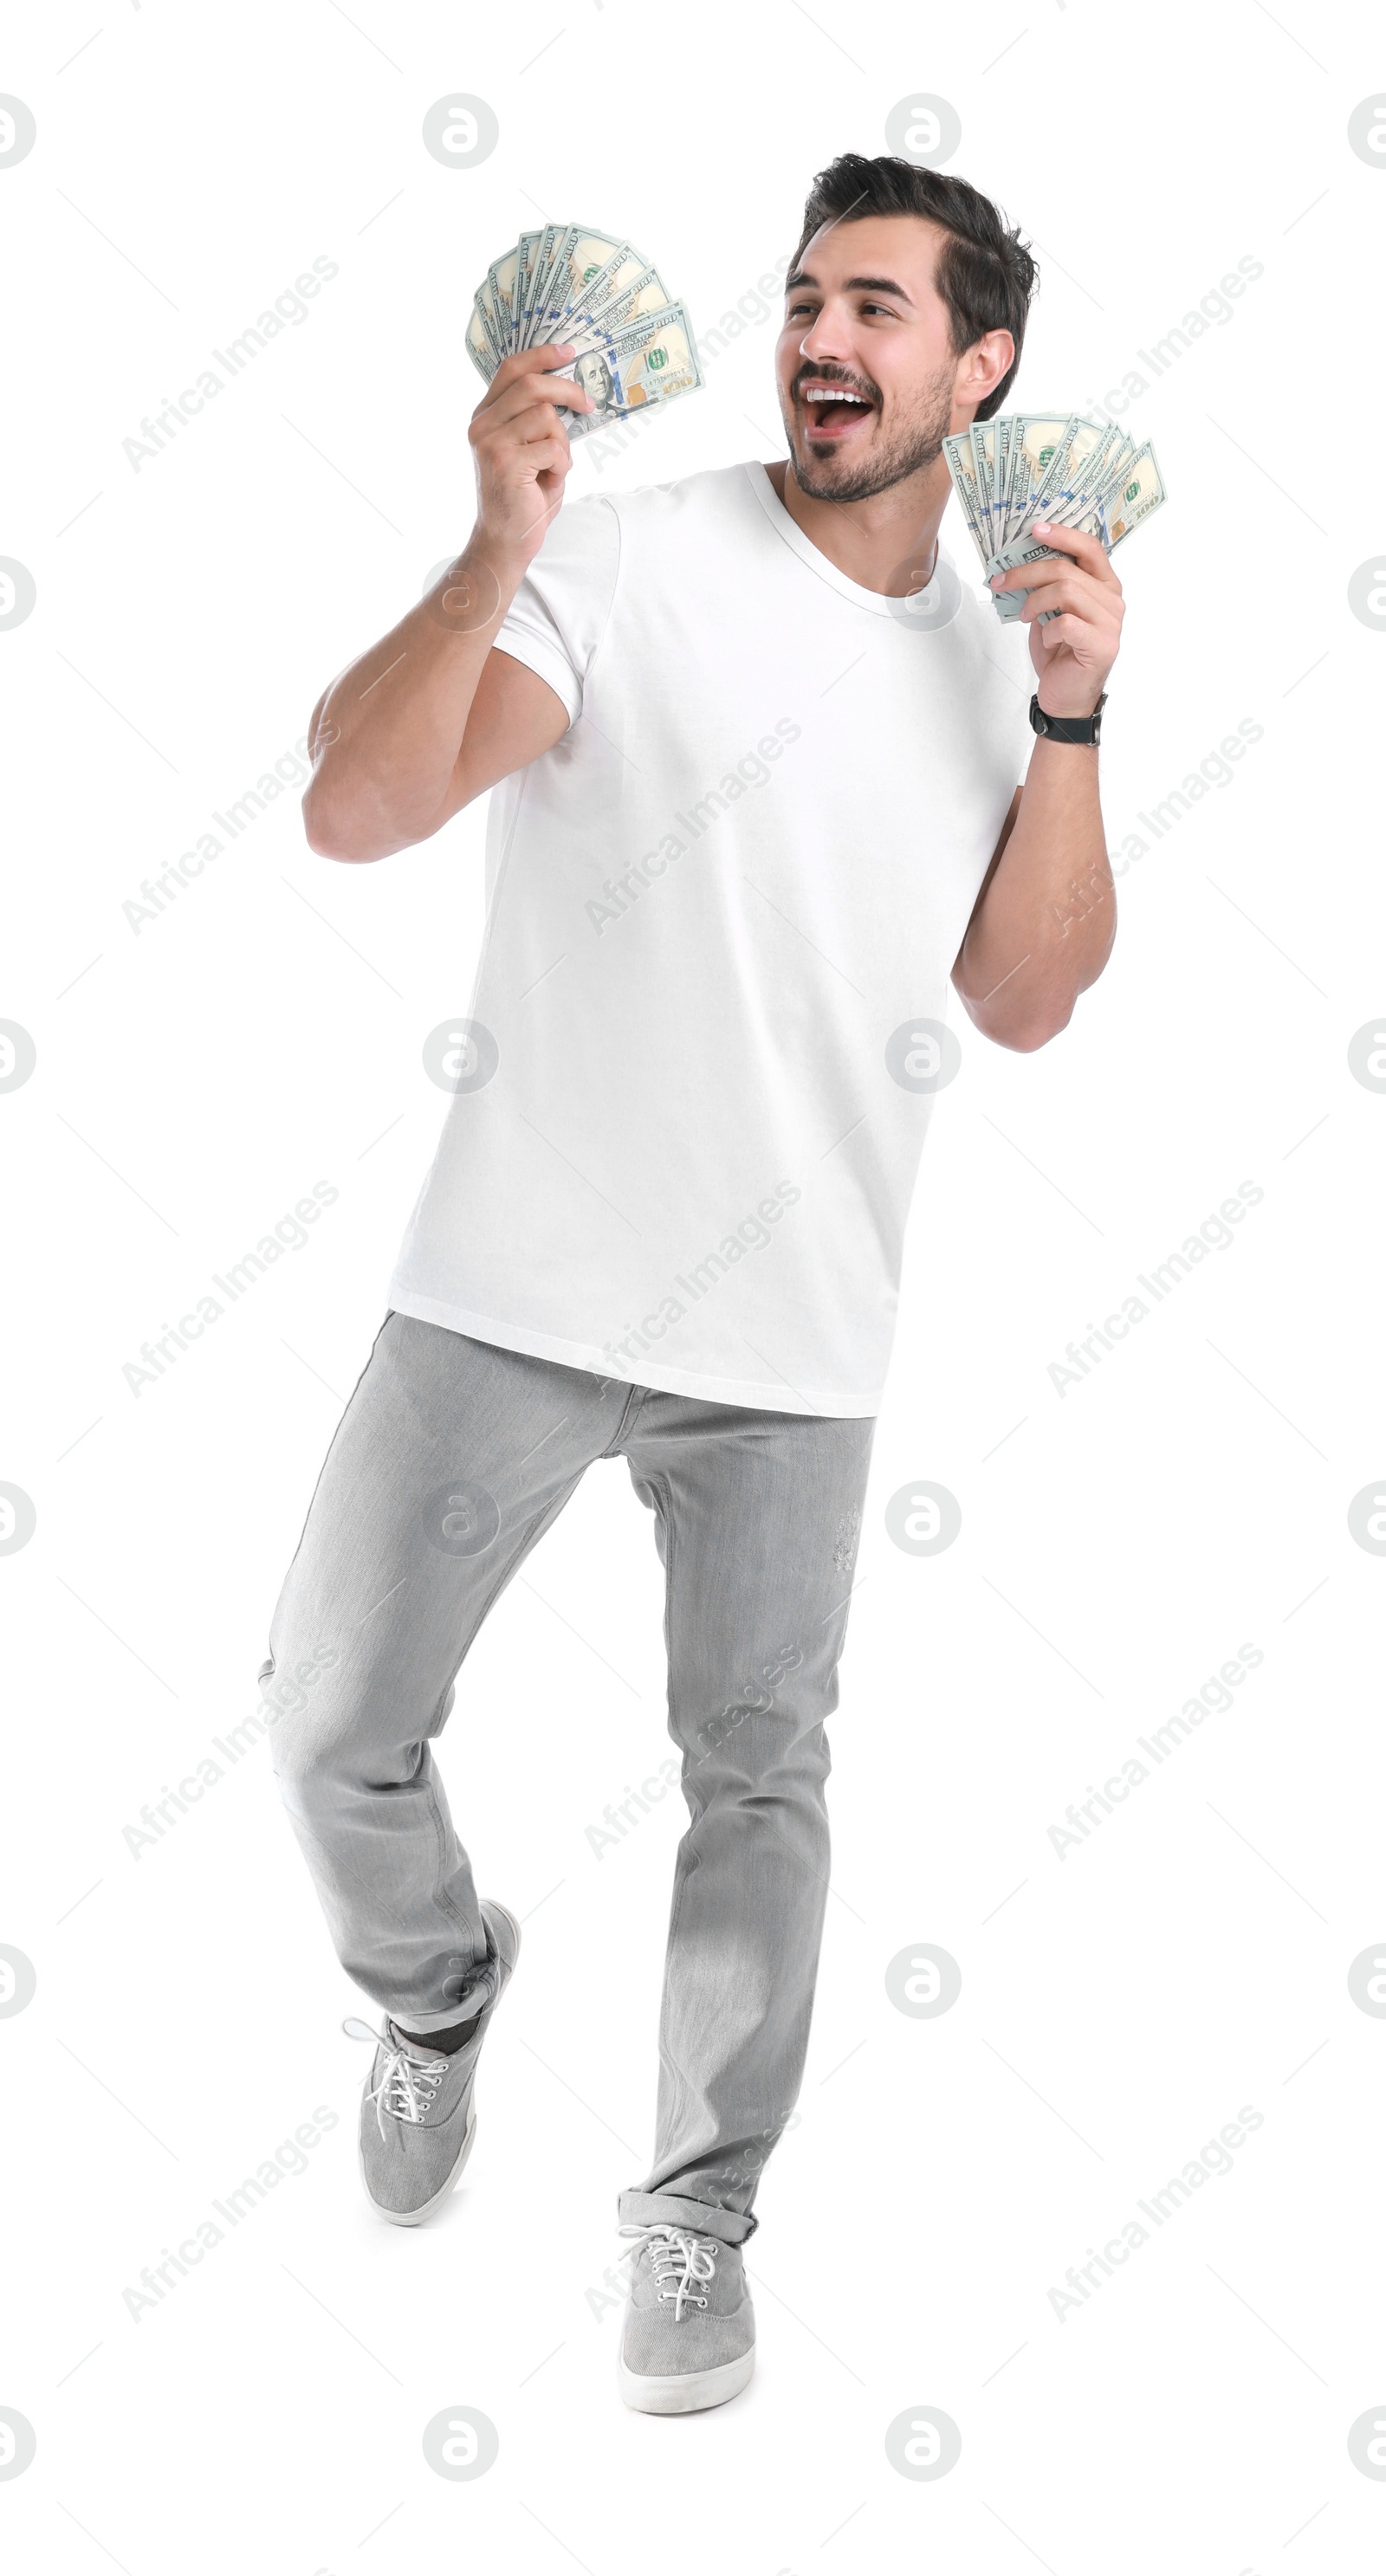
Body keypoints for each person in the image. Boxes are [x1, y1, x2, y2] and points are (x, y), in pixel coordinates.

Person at [262, 151, 1125, 2417]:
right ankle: (439, 1993)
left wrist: (1070, 720)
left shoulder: (990, 655)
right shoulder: (628, 557)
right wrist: (492, 553)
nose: (825, 342)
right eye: (809, 297)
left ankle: (694, 2214)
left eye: (881, 309)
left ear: (986, 365)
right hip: (511, 1281)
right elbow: (356, 814)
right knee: (332, 1713)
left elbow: (1029, 1003)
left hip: (796, 1331)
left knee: (759, 1784)